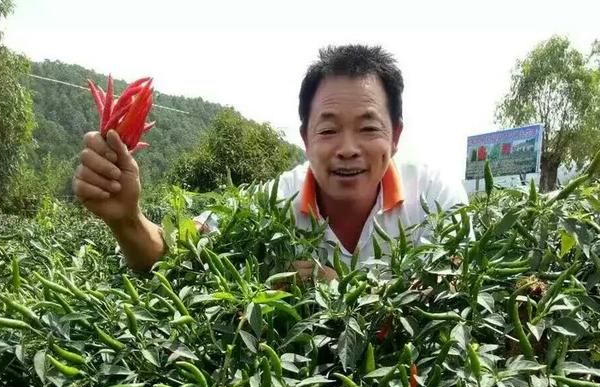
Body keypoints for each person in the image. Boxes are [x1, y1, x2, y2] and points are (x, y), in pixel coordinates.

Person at [73, 44, 468, 274]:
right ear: (305, 140)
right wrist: (127, 219)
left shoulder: (436, 200)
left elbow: (456, 294)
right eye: (328, 130)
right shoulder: (276, 200)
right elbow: (177, 254)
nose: (348, 147)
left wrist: (343, 289)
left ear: (396, 136)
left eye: (368, 128)